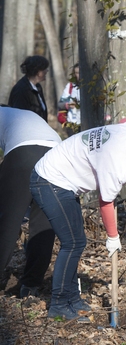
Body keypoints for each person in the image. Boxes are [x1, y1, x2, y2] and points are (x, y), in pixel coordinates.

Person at [30, 120, 126, 322]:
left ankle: (72, 299)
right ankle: (59, 305)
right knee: (72, 243)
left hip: (63, 182)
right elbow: (105, 202)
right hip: (50, 180)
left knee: (77, 242)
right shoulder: (116, 163)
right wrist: (113, 236)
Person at [0, 107, 61, 298]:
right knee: (43, 223)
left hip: (24, 153)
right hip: (57, 155)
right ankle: (31, 285)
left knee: (7, 221)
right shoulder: (18, 114)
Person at [8, 55, 50, 122]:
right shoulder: (21, 89)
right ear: (38, 71)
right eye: (45, 68)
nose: (47, 70)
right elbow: (19, 117)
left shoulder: (38, 87)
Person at [58, 63, 81, 136]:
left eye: (80, 72)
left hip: (86, 122)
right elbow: (60, 104)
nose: (79, 75)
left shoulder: (90, 86)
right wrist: (68, 105)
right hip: (72, 123)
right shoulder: (70, 86)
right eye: (76, 73)